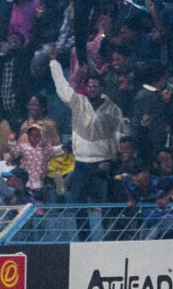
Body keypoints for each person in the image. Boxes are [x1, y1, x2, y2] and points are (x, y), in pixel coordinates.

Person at [50, 57, 123, 238]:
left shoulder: (112, 109)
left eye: (95, 86)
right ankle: (84, 238)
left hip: (101, 165)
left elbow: (118, 138)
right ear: (86, 88)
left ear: (102, 88)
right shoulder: (79, 103)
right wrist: (55, 65)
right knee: (78, 204)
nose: (92, 89)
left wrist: (111, 161)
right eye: (89, 86)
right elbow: (63, 90)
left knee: (105, 205)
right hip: (81, 164)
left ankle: (108, 239)